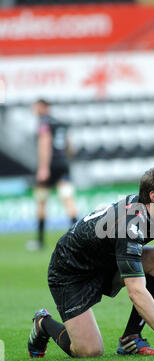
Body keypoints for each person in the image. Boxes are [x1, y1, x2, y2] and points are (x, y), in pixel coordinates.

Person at [27, 166, 154, 358]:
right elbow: (136, 291)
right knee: (89, 351)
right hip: (71, 272)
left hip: (108, 262)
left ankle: (131, 338)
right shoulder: (130, 225)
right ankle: (43, 323)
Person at [26, 99, 78, 251]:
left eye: (36, 106)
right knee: (68, 200)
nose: (34, 109)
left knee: (41, 200)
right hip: (63, 164)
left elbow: (45, 143)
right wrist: (65, 161)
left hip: (50, 165)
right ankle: (76, 237)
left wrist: (43, 168)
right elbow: (69, 145)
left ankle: (40, 241)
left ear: (42, 107)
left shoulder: (43, 123)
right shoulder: (59, 123)